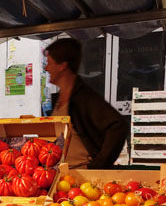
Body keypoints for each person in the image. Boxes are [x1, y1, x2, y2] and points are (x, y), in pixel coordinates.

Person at [45, 38, 127, 169]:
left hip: (81, 177)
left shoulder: (83, 98)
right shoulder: (60, 98)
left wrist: (98, 165)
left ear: (62, 66)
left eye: (49, 63)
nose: (46, 68)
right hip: (63, 175)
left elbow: (118, 126)